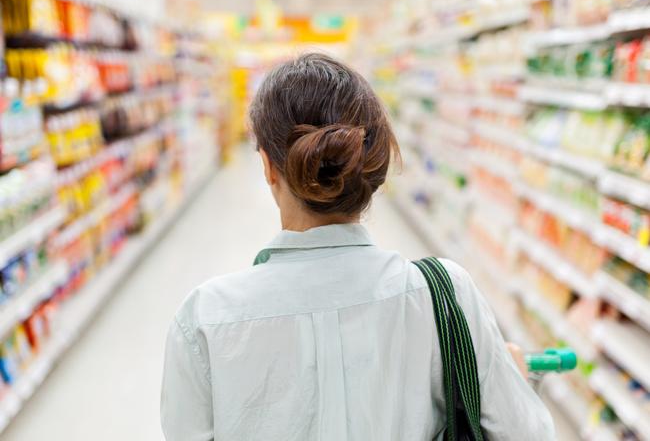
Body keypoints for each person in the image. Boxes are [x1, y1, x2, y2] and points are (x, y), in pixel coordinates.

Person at [160, 53, 555, 440]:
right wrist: (515, 380)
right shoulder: (446, 295)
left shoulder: (206, 319)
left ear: (267, 165)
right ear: (373, 165)